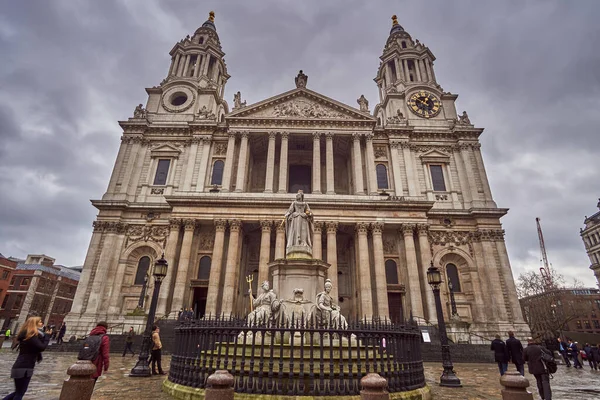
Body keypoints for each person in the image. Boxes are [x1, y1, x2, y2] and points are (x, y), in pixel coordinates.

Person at [2, 316, 52, 400]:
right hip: (24, 367)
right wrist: (47, 337)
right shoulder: (30, 336)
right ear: (34, 324)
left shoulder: (29, 335)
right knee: (19, 393)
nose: (42, 323)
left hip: (23, 366)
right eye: (40, 322)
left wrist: (44, 336)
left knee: (19, 392)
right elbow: (42, 347)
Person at [284, 190, 314, 255]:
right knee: (295, 231)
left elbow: (309, 211)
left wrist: (309, 214)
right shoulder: (294, 203)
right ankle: (295, 242)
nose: (297, 196)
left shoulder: (305, 204)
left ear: (301, 196)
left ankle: (304, 242)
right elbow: (290, 210)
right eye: (297, 195)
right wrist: (287, 214)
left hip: (303, 219)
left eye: (299, 195)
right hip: (296, 218)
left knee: (303, 232)